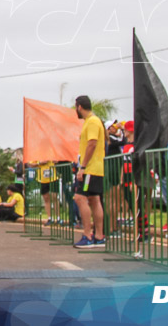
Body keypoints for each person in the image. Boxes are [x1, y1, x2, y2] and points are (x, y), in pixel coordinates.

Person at [73, 95, 106, 248]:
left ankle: (88, 235)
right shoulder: (91, 121)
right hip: (96, 168)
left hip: (90, 169)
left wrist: (83, 167)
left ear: (79, 107)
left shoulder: (92, 121)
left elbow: (92, 144)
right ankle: (99, 236)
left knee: (80, 197)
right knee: (94, 199)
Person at [36, 160, 58, 225]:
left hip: (53, 178)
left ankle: (58, 218)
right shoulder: (37, 153)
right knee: (46, 198)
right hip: (43, 179)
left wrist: (55, 161)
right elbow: (30, 164)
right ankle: (50, 218)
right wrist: (40, 162)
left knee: (54, 197)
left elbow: (58, 160)